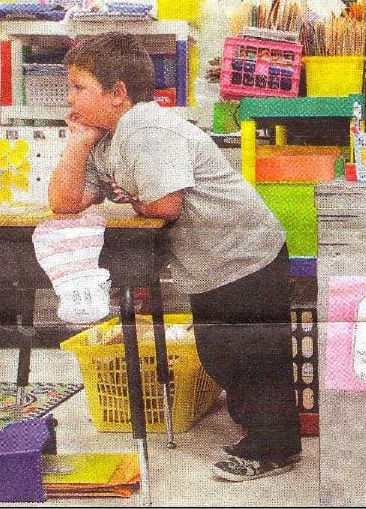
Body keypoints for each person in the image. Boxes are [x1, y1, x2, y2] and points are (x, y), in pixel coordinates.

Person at [48, 32, 301, 481]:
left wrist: (134, 200)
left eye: (79, 87)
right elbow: (65, 201)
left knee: (250, 357)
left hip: (243, 253)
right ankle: (262, 437)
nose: (70, 98)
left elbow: (166, 205)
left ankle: (273, 447)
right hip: (212, 261)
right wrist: (78, 140)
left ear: (118, 93)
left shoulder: (148, 130)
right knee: (222, 353)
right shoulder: (107, 138)